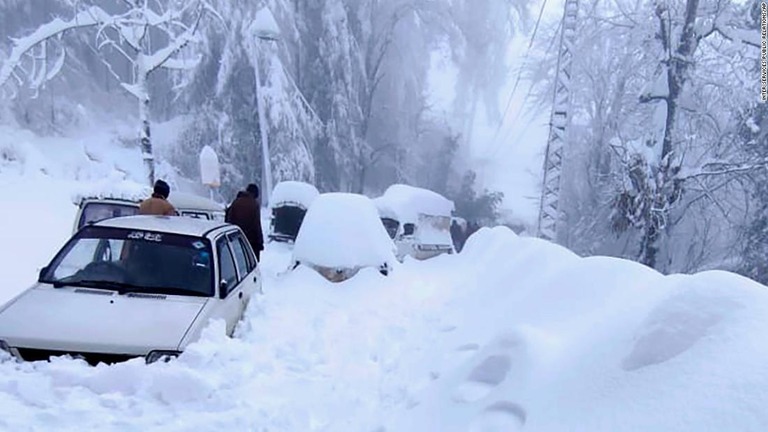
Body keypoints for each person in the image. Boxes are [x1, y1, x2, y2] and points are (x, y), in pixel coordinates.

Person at [225, 183, 265, 260]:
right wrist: (260, 243)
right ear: (255, 193)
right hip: (250, 241)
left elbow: (229, 219)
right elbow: (257, 225)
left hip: (235, 239)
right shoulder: (254, 204)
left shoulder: (236, 202)